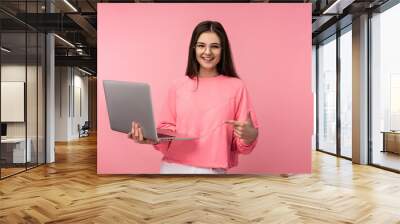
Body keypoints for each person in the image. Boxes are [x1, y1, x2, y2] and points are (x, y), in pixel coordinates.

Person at [128, 20, 259, 174]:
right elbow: (167, 132)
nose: (208, 52)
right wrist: (150, 138)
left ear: (223, 50)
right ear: (194, 48)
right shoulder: (178, 86)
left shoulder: (237, 87)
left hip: (213, 173)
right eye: (201, 45)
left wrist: (250, 135)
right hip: (173, 169)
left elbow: (241, 144)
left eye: (215, 46)